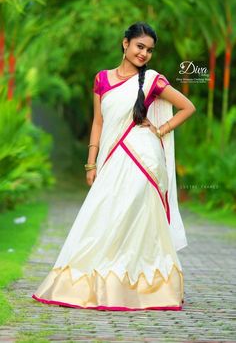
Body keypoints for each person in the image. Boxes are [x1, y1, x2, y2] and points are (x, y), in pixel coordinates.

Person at [32, 22, 196, 311]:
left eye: (149, 50)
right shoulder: (102, 79)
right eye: (139, 46)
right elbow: (98, 122)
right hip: (111, 158)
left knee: (133, 216)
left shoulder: (153, 81)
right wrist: (90, 163)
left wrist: (159, 130)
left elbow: (187, 107)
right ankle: (100, 282)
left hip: (143, 158)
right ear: (125, 44)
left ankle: (141, 287)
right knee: (105, 213)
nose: (144, 53)